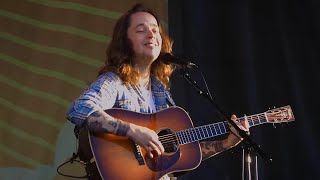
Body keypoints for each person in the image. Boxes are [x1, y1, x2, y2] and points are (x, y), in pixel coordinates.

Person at [67, 3, 248, 180]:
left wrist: (225, 143)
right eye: (141, 29)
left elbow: (182, 155)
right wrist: (132, 131)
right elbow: (80, 109)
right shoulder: (115, 81)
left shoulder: (161, 92)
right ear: (125, 42)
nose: (151, 34)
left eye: (155, 29)